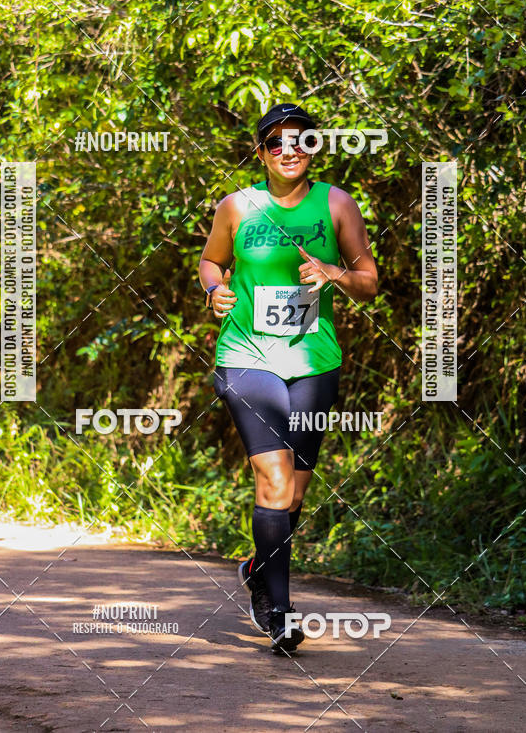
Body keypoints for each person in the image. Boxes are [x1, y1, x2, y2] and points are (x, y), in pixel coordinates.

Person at [198, 103, 378, 653]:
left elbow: (369, 281)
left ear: (314, 149)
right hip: (247, 356)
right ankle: (278, 611)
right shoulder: (237, 206)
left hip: (313, 363)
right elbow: (210, 261)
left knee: (294, 493)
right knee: (273, 481)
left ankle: (258, 567)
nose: (289, 150)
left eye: (302, 140)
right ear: (261, 153)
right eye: (276, 142)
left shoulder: (337, 204)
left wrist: (333, 273)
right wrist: (214, 290)